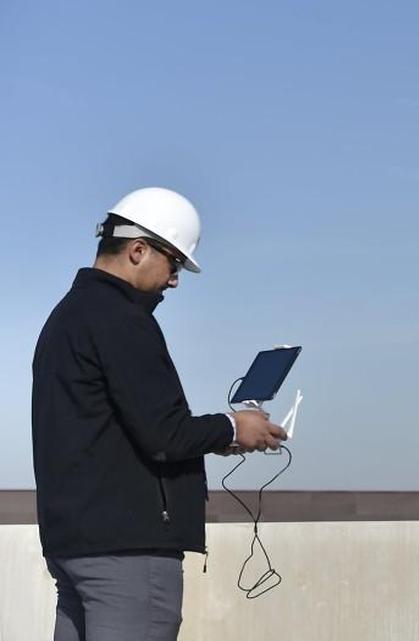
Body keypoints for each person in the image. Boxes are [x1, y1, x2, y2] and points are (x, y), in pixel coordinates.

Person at [32, 187, 288, 641]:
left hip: (74, 544)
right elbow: (164, 434)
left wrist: (219, 437)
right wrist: (233, 425)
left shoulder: (66, 317)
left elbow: (117, 430)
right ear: (137, 250)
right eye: (173, 264)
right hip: (128, 553)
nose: (174, 280)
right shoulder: (122, 319)